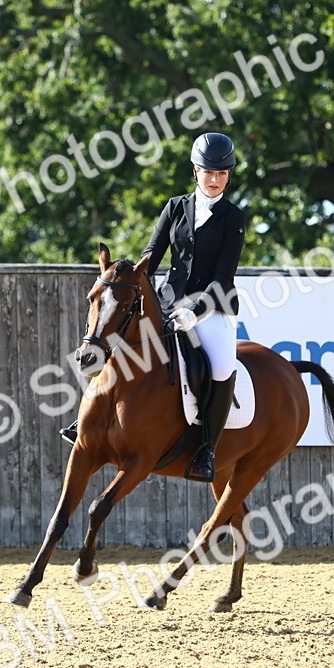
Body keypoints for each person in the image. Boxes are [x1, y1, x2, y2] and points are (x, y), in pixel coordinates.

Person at [62, 132, 245, 484]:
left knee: (221, 366)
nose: (215, 179)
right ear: (196, 171)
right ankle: (87, 421)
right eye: (209, 172)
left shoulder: (232, 217)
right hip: (168, 302)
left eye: (222, 174)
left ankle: (207, 448)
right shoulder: (175, 207)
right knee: (119, 339)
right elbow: (152, 256)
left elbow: (223, 277)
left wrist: (198, 310)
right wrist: (129, 276)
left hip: (212, 309)